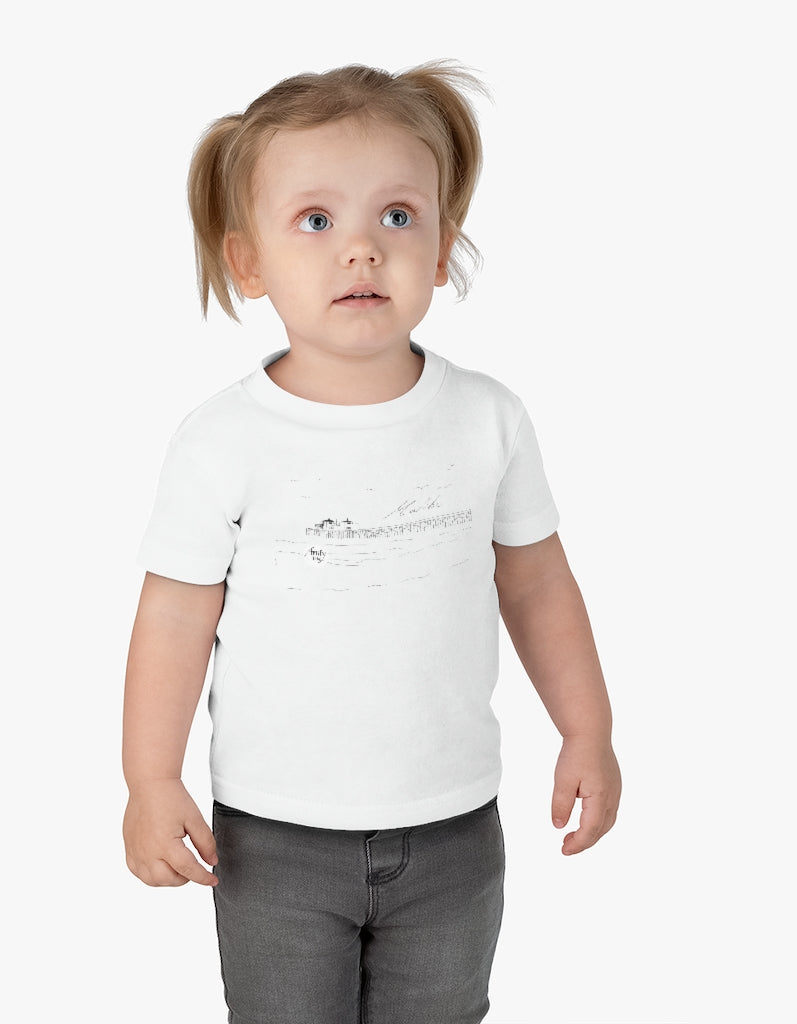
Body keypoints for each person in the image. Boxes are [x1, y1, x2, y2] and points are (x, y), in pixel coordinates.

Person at [122, 60, 621, 1024]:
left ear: (440, 249)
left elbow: (538, 587)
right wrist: (149, 777)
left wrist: (587, 729)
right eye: (316, 220)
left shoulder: (488, 420)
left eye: (397, 215)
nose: (361, 249)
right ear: (248, 262)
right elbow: (174, 619)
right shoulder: (221, 441)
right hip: (275, 836)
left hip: (454, 829)